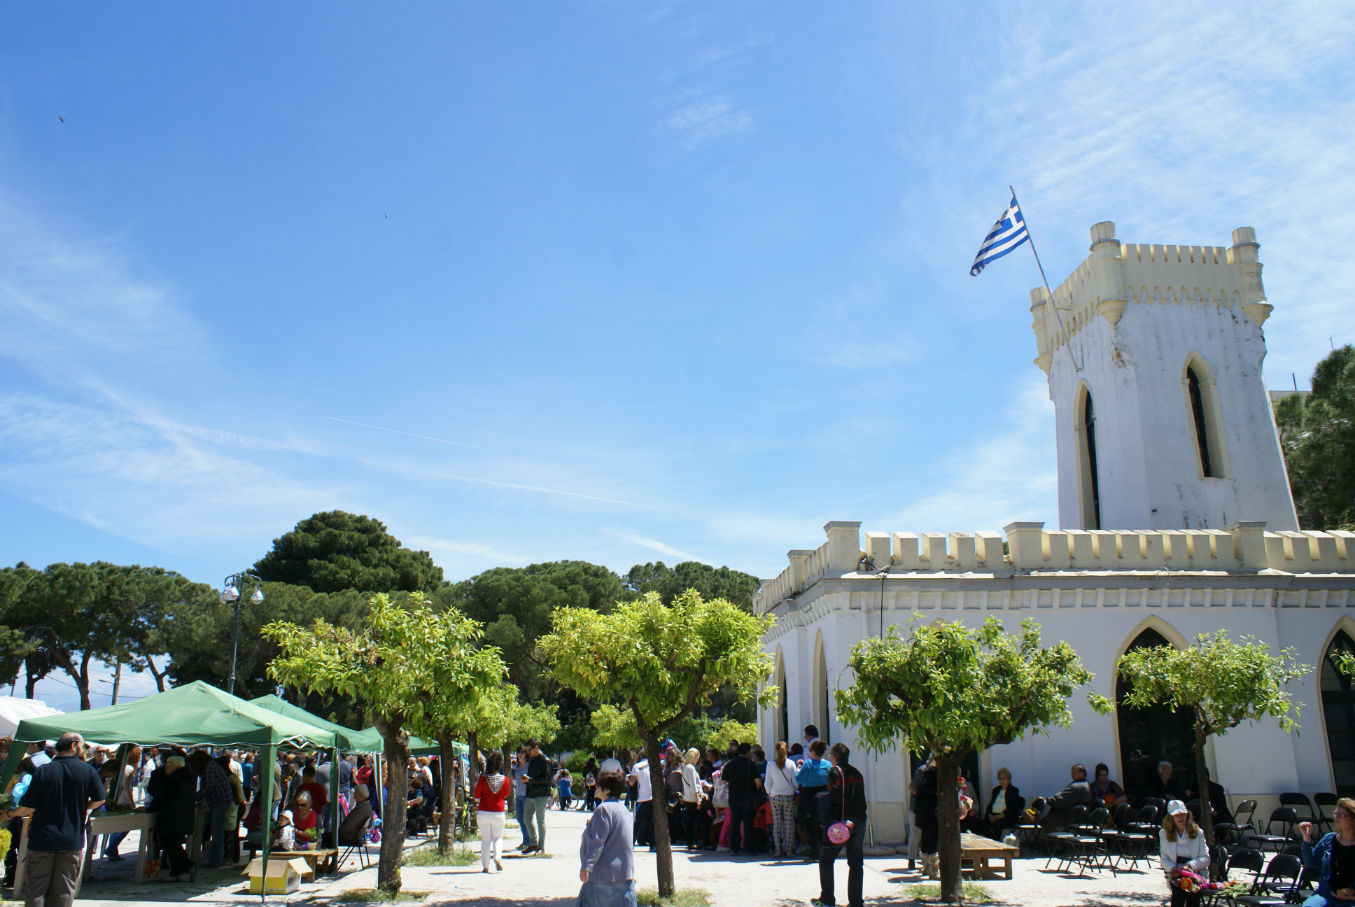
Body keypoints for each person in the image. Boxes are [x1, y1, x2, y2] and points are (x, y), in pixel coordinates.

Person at [2, 733, 105, 906]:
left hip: (43, 839)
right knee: (64, 891)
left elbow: (28, 807)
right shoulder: (87, 771)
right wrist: (83, 806)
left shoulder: (44, 771)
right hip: (71, 840)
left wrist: (9, 814)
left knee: (36, 890)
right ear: (73, 746)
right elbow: (100, 799)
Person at [811, 742, 866, 907]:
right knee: (856, 863)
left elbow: (835, 797)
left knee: (826, 859)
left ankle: (827, 898)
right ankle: (856, 901)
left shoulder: (835, 771)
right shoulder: (856, 772)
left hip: (841, 821)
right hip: (859, 820)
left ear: (834, 757)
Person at [576, 759, 636, 907]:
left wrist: (587, 866)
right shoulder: (624, 811)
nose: (596, 788)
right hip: (625, 875)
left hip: (602, 877)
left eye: (599, 785)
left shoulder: (603, 810)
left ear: (607, 790)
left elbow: (597, 842)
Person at [1299, 797, 1355, 907]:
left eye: (1341, 815)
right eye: (1335, 814)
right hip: (1326, 894)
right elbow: (1311, 863)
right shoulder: (1328, 839)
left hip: (1351, 899)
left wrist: (1351, 896)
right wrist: (1307, 839)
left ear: (1353, 819)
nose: (1336, 818)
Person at [1159, 799, 1209, 907]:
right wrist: (1175, 869)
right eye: (1177, 815)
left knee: (1193, 890)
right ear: (1171, 818)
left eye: (1183, 814)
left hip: (1195, 871)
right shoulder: (1164, 833)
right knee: (1178, 890)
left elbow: (1206, 858)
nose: (1180, 818)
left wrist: (1189, 866)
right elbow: (1164, 858)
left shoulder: (1198, 832)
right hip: (1176, 871)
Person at [101, 746, 141, 862]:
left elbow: (107, 785)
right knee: (127, 826)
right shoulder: (129, 769)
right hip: (123, 800)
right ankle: (112, 848)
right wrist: (132, 804)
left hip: (115, 800)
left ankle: (113, 850)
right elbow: (126, 787)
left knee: (115, 827)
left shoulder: (120, 767)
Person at [472, 751, 509, 873]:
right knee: (498, 838)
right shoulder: (505, 780)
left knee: (486, 839)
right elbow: (506, 794)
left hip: (483, 812)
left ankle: (485, 866)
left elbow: (476, 795)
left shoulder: (483, 779)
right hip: (498, 812)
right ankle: (497, 857)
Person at [764, 741, 800, 859]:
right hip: (788, 795)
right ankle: (789, 850)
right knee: (789, 823)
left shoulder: (770, 765)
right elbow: (795, 782)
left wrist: (769, 792)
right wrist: (794, 790)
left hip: (775, 796)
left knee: (777, 823)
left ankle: (777, 850)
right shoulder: (791, 764)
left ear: (776, 750)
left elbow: (767, 783)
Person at [798, 740, 831, 861]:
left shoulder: (808, 764)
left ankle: (814, 854)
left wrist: (798, 769)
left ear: (812, 751)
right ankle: (824, 853)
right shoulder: (828, 765)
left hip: (809, 797)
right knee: (823, 826)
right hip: (825, 797)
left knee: (811, 826)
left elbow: (799, 779)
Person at [1034, 763, 1091, 830]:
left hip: (1071, 815)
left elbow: (1061, 799)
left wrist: (1047, 800)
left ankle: (1052, 836)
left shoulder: (1077, 786)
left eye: (1074, 773)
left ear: (1082, 774)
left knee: (1046, 821)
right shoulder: (1084, 784)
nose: (1072, 775)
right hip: (1077, 816)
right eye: (1072, 773)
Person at [722, 742, 756, 855]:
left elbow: (724, 781)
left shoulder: (730, 764)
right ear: (748, 752)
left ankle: (734, 848)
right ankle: (749, 848)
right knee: (748, 824)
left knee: (735, 823)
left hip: (733, 797)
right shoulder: (751, 764)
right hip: (747, 797)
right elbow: (758, 782)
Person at [909, 756, 940, 878]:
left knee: (925, 838)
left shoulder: (924, 771)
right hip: (931, 808)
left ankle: (926, 867)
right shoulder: (934, 773)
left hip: (921, 809)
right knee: (933, 838)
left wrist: (922, 797)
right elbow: (912, 787)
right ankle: (933, 870)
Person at [522, 739, 551, 855]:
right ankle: (533, 843)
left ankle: (541, 847)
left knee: (540, 820)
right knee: (526, 818)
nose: (528, 753)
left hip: (541, 794)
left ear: (536, 748)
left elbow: (547, 780)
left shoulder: (545, 760)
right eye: (526, 751)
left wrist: (530, 780)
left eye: (529, 750)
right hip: (531, 793)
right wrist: (527, 779)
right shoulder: (532, 760)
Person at [980, 767, 1024, 840]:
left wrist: (998, 817)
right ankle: (993, 841)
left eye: (1004, 778)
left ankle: (997, 842)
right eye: (1000, 778)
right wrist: (989, 815)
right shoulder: (996, 790)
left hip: (1007, 817)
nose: (1002, 780)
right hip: (994, 815)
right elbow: (990, 805)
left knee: (997, 825)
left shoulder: (1013, 791)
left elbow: (1012, 808)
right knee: (982, 825)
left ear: (1009, 779)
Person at [629, 751, 654, 850]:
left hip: (642, 798)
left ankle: (631, 843)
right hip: (652, 797)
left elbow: (632, 782)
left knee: (637, 822)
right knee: (651, 822)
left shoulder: (637, 766)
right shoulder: (653, 765)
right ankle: (652, 845)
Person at [512, 749, 534, 852]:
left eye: (522, 753)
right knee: (519, 818)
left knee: (526, 819)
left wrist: (527, 779)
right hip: (518, 794)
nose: (519, 755)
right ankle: (526, 840)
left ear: (526, 754)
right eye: (518, 753)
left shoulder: (529, 766)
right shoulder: (517, 766)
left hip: (526, 795)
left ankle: (529, 841)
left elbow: (533, 779)